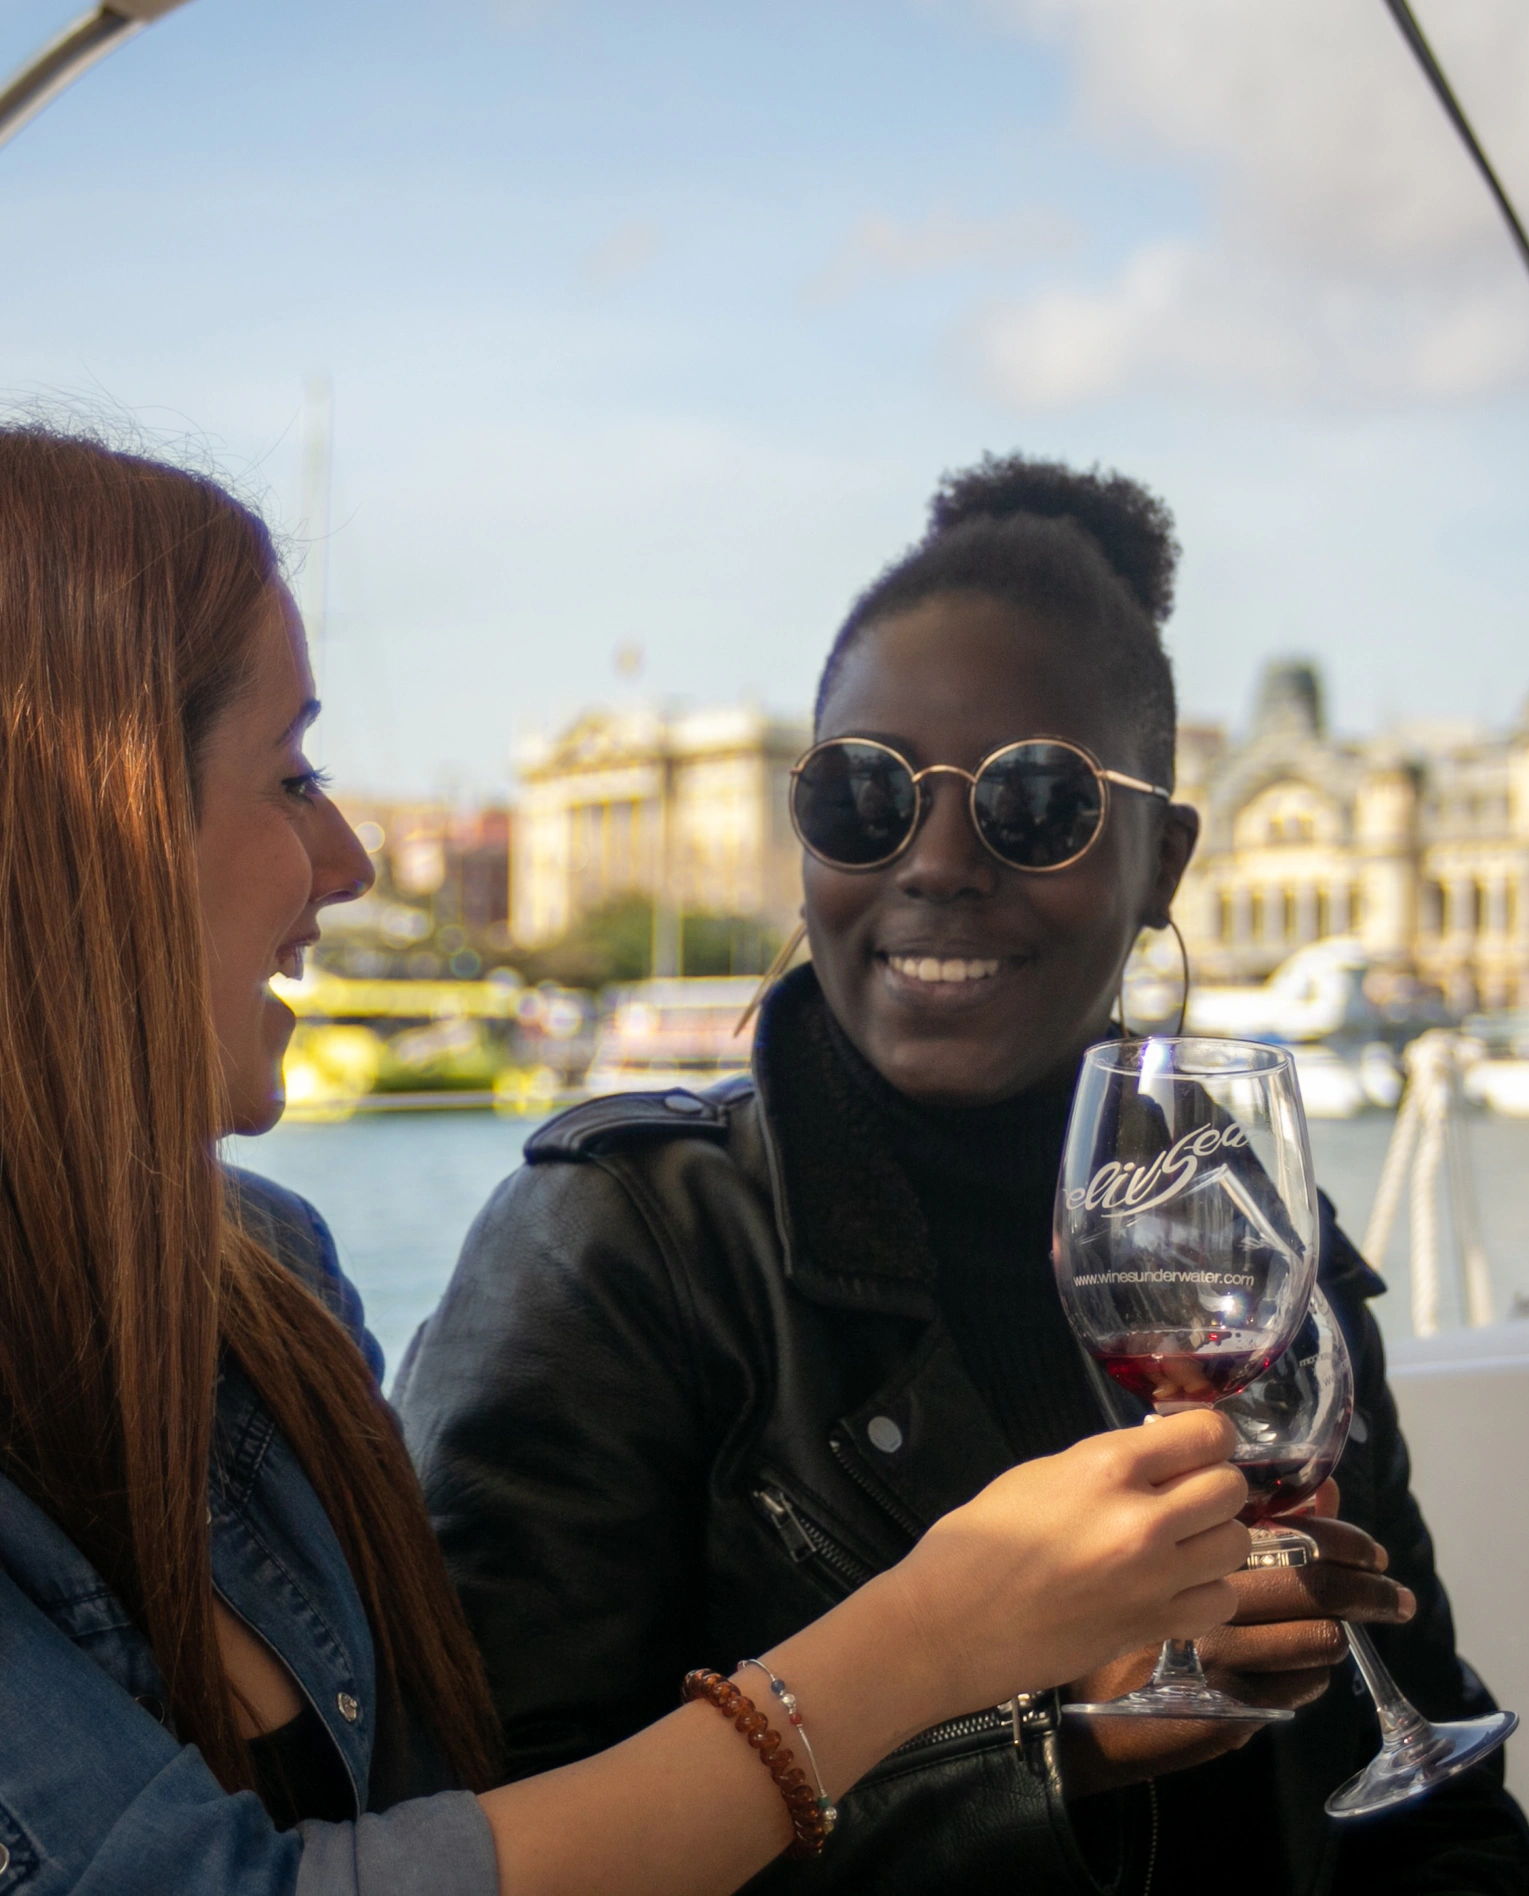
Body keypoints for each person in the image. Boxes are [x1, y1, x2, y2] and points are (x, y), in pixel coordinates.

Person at [0, 426, 1259, 1896]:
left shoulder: (270, 1289)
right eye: (292, 778)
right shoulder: (612, 1235)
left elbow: (443, 1811)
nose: (353, 857)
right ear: (90, 828)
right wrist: (955, 1657)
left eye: (1031, 807)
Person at [397, 456, 1529, 1893]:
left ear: (1162, 862)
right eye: (866, 797)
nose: (936, 863)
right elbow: (485, 1841)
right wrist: (1045, 1744)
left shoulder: (1258, 1245)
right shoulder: (618, 1246)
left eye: (1037, 804)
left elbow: (1434, 1806)